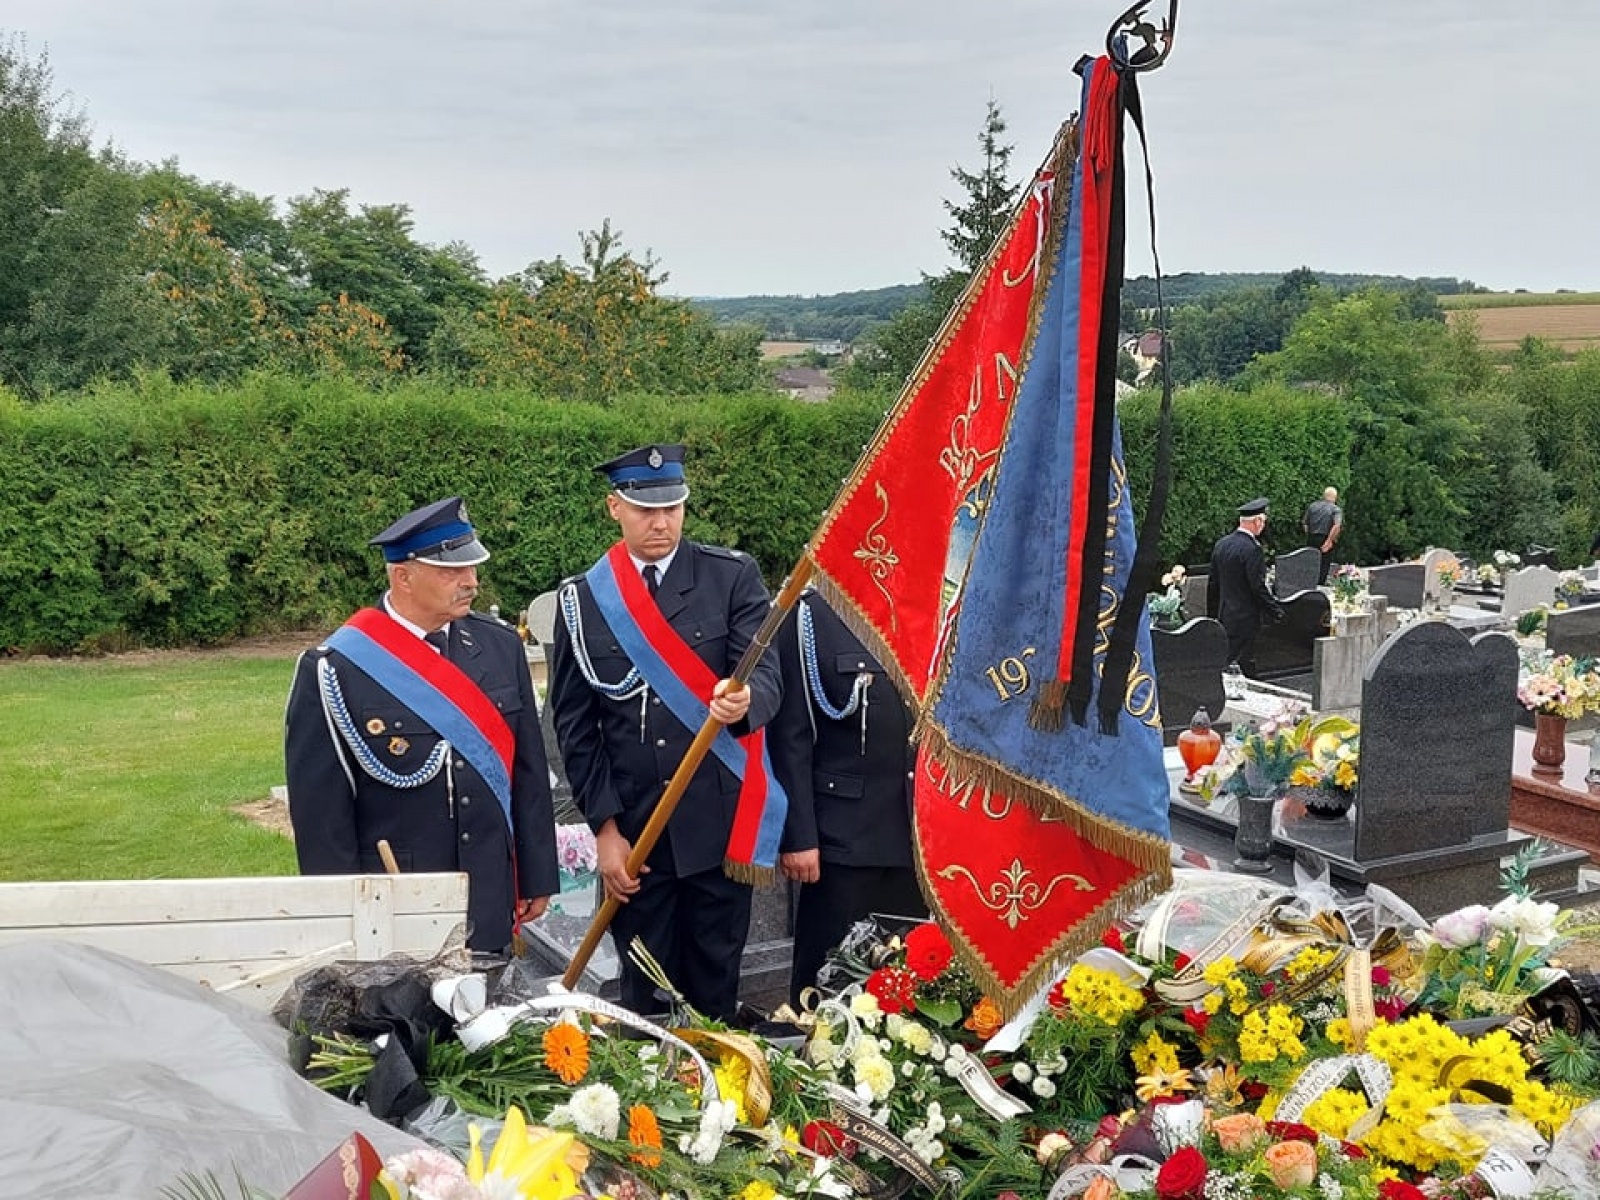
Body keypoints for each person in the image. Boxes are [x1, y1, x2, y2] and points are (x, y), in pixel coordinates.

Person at [547, 444, 782, 1020]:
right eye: (645, 509)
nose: (660, 522)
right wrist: (604, 828)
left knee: (715, 991)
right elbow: (576, 726)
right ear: (614, 508)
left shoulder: (731, 577)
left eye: (672, 508)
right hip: (637, 835)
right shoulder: (584, 599)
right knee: (643, 1000)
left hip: (716, 831)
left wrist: (746, 699)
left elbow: (770, 676)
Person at [284, 496, 558, 954]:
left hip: (489, 891)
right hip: (398, 898)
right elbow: (321, 818)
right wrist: (340, 916)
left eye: (471, 567)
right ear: (403, 576)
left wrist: (535, 874)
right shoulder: (336, 669)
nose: (470, 581)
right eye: (451, 571)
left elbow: (527, 774)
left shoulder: (499, 647)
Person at [771, 590, 926, 1008]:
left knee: (911, 988)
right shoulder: (811, 616)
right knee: (825, 987)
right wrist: (798, 835)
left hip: (922, 840)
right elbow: (791, 737)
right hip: (843, 838)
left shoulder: (932, 601)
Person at [1207, 496, 1285, 678]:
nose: (1264, 526)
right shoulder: (1252, 549)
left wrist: (1212, 615)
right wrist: (1276, 611)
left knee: (1226, 659)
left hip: (1225, 614)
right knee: (1241, 661)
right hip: (1245, 617)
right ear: (1256, 521)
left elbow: (1213, 584)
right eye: (1263, 521)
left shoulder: (1222, 544)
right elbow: (1256, 586)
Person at [1302, 487, 1343, 585]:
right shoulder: (1335, 509)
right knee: (1323, 565)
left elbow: (1304, 523)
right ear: (1335, 497)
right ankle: (1320, 585)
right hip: (1325, 537)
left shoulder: (1313, 506)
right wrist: (1329, 541)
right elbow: (1337, 525)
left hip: (1312, 538)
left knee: (1311, 563)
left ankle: (1309, 583)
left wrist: (1309, 535)